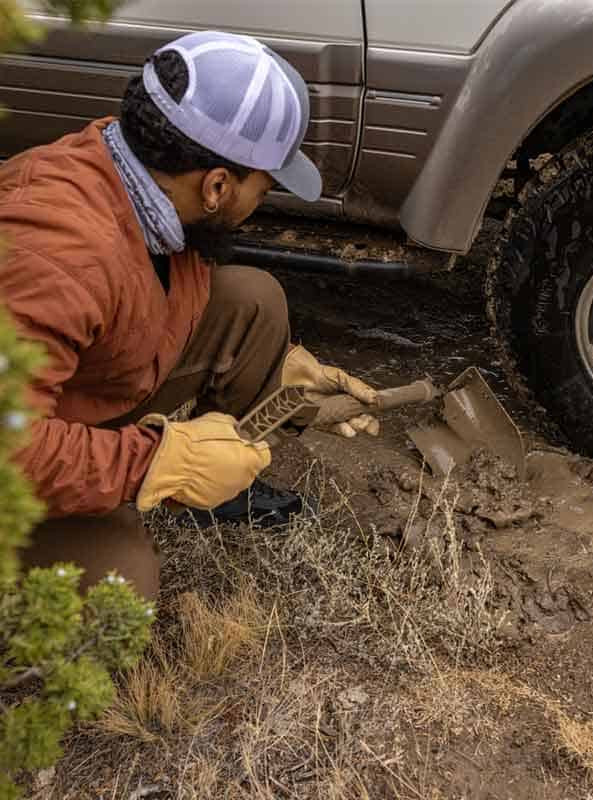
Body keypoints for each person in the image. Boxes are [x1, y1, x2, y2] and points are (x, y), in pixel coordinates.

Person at [0, 30, 380, 600]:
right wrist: (154, 462)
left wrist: (288, 389)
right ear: (218, 185)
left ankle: (215, 480)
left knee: (253, 301)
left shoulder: (148, 181)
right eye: (264, 189)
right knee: (120, 586)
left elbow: (160, 304)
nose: (259, 206)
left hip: (62, 395)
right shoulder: (57, 254)